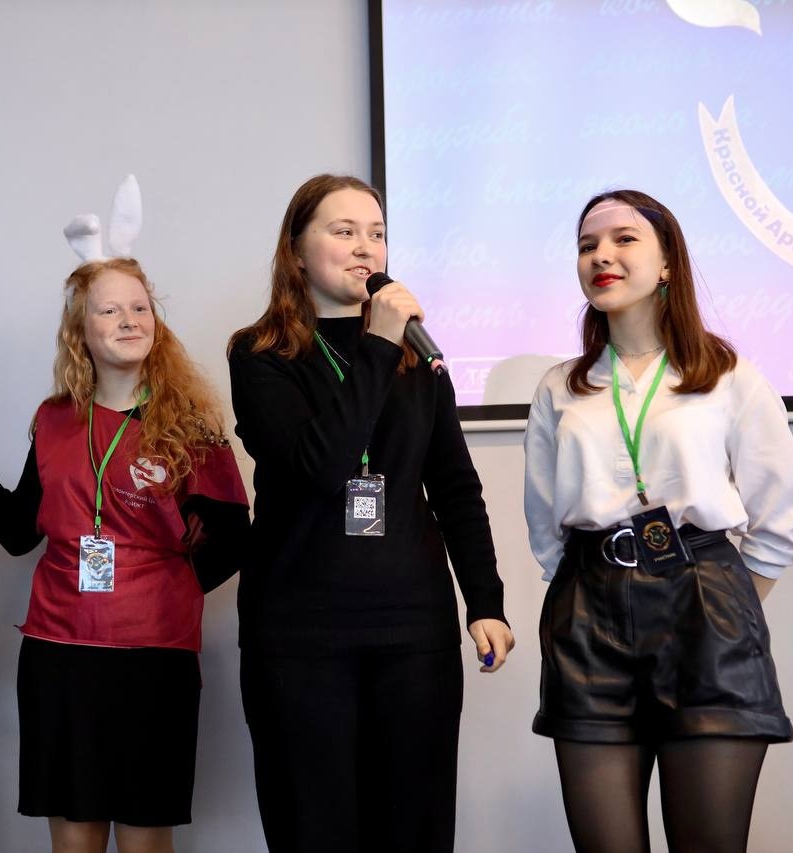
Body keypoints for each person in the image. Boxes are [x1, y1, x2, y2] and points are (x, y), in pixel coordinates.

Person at [227, 174, 515, 853]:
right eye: (344, 231)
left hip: (412, 631)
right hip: (299, 635)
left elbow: (455, 486)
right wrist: (379, 345)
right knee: (314, 831)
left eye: (377, 233)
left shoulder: (418, 355)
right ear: (296, 252)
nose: (366, 247)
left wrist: (486, 601)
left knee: (413, 831)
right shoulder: (260, 355)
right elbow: (322, 468)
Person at [0, 257, 248, 853]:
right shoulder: (54, 420)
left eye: (140, 307)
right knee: (75, 838)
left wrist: (162, 588)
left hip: (155, 657)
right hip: (60, 654)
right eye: (110, 309)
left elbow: (233, 536)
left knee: (145, 839)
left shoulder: (191, 425)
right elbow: (20, 533)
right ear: (80, 331)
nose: (129, 320)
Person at [523, 189, 793, 853]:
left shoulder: (725, 373)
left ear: (666, 264)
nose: (601, 255)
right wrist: (585, 589)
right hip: (589, 616)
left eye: (623, 239)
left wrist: (724, 602)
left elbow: (782, 513)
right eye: (587, 245)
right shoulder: (560, 386)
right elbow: (545, 526)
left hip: (705, 612)